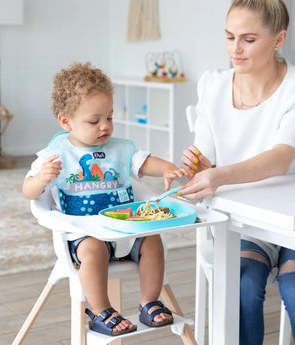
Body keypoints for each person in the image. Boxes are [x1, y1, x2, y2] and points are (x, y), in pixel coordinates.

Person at [22, 62, 184, 336]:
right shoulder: (56, 154)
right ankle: (100, 310)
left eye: (109, 117)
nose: (105, 126)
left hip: (127, 230)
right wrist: (41, 179)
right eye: (94, 121)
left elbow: (144, 163)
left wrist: (168, 167)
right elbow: (28, 191)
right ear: (66, 121)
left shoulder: (118, 149)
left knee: (154, 241)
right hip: (84, 236)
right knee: (94, 251)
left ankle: (149, 301)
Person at [179, 1, 295, 344]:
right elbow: (207, 155)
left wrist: (221, 175)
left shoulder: (293, 88)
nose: (235, 49)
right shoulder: (213, 85)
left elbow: (281, 158)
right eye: (229, 37)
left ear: (278, 39)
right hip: (243, 221)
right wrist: (199, 166)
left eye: (248, 39)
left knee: (293, 288)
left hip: (290, 220)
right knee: (243, 285)